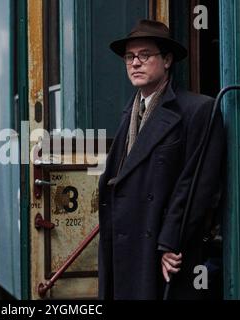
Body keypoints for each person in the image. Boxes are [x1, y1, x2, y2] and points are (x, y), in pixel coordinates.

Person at [98, 19, 225, 299]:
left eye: (145, 55)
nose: (135, 63)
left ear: (167, 60)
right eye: (130, 57)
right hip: (125, 244)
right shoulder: (128, 113)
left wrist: (170, 242)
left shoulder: (198, 109)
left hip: (157, 248)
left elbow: (196, 185)